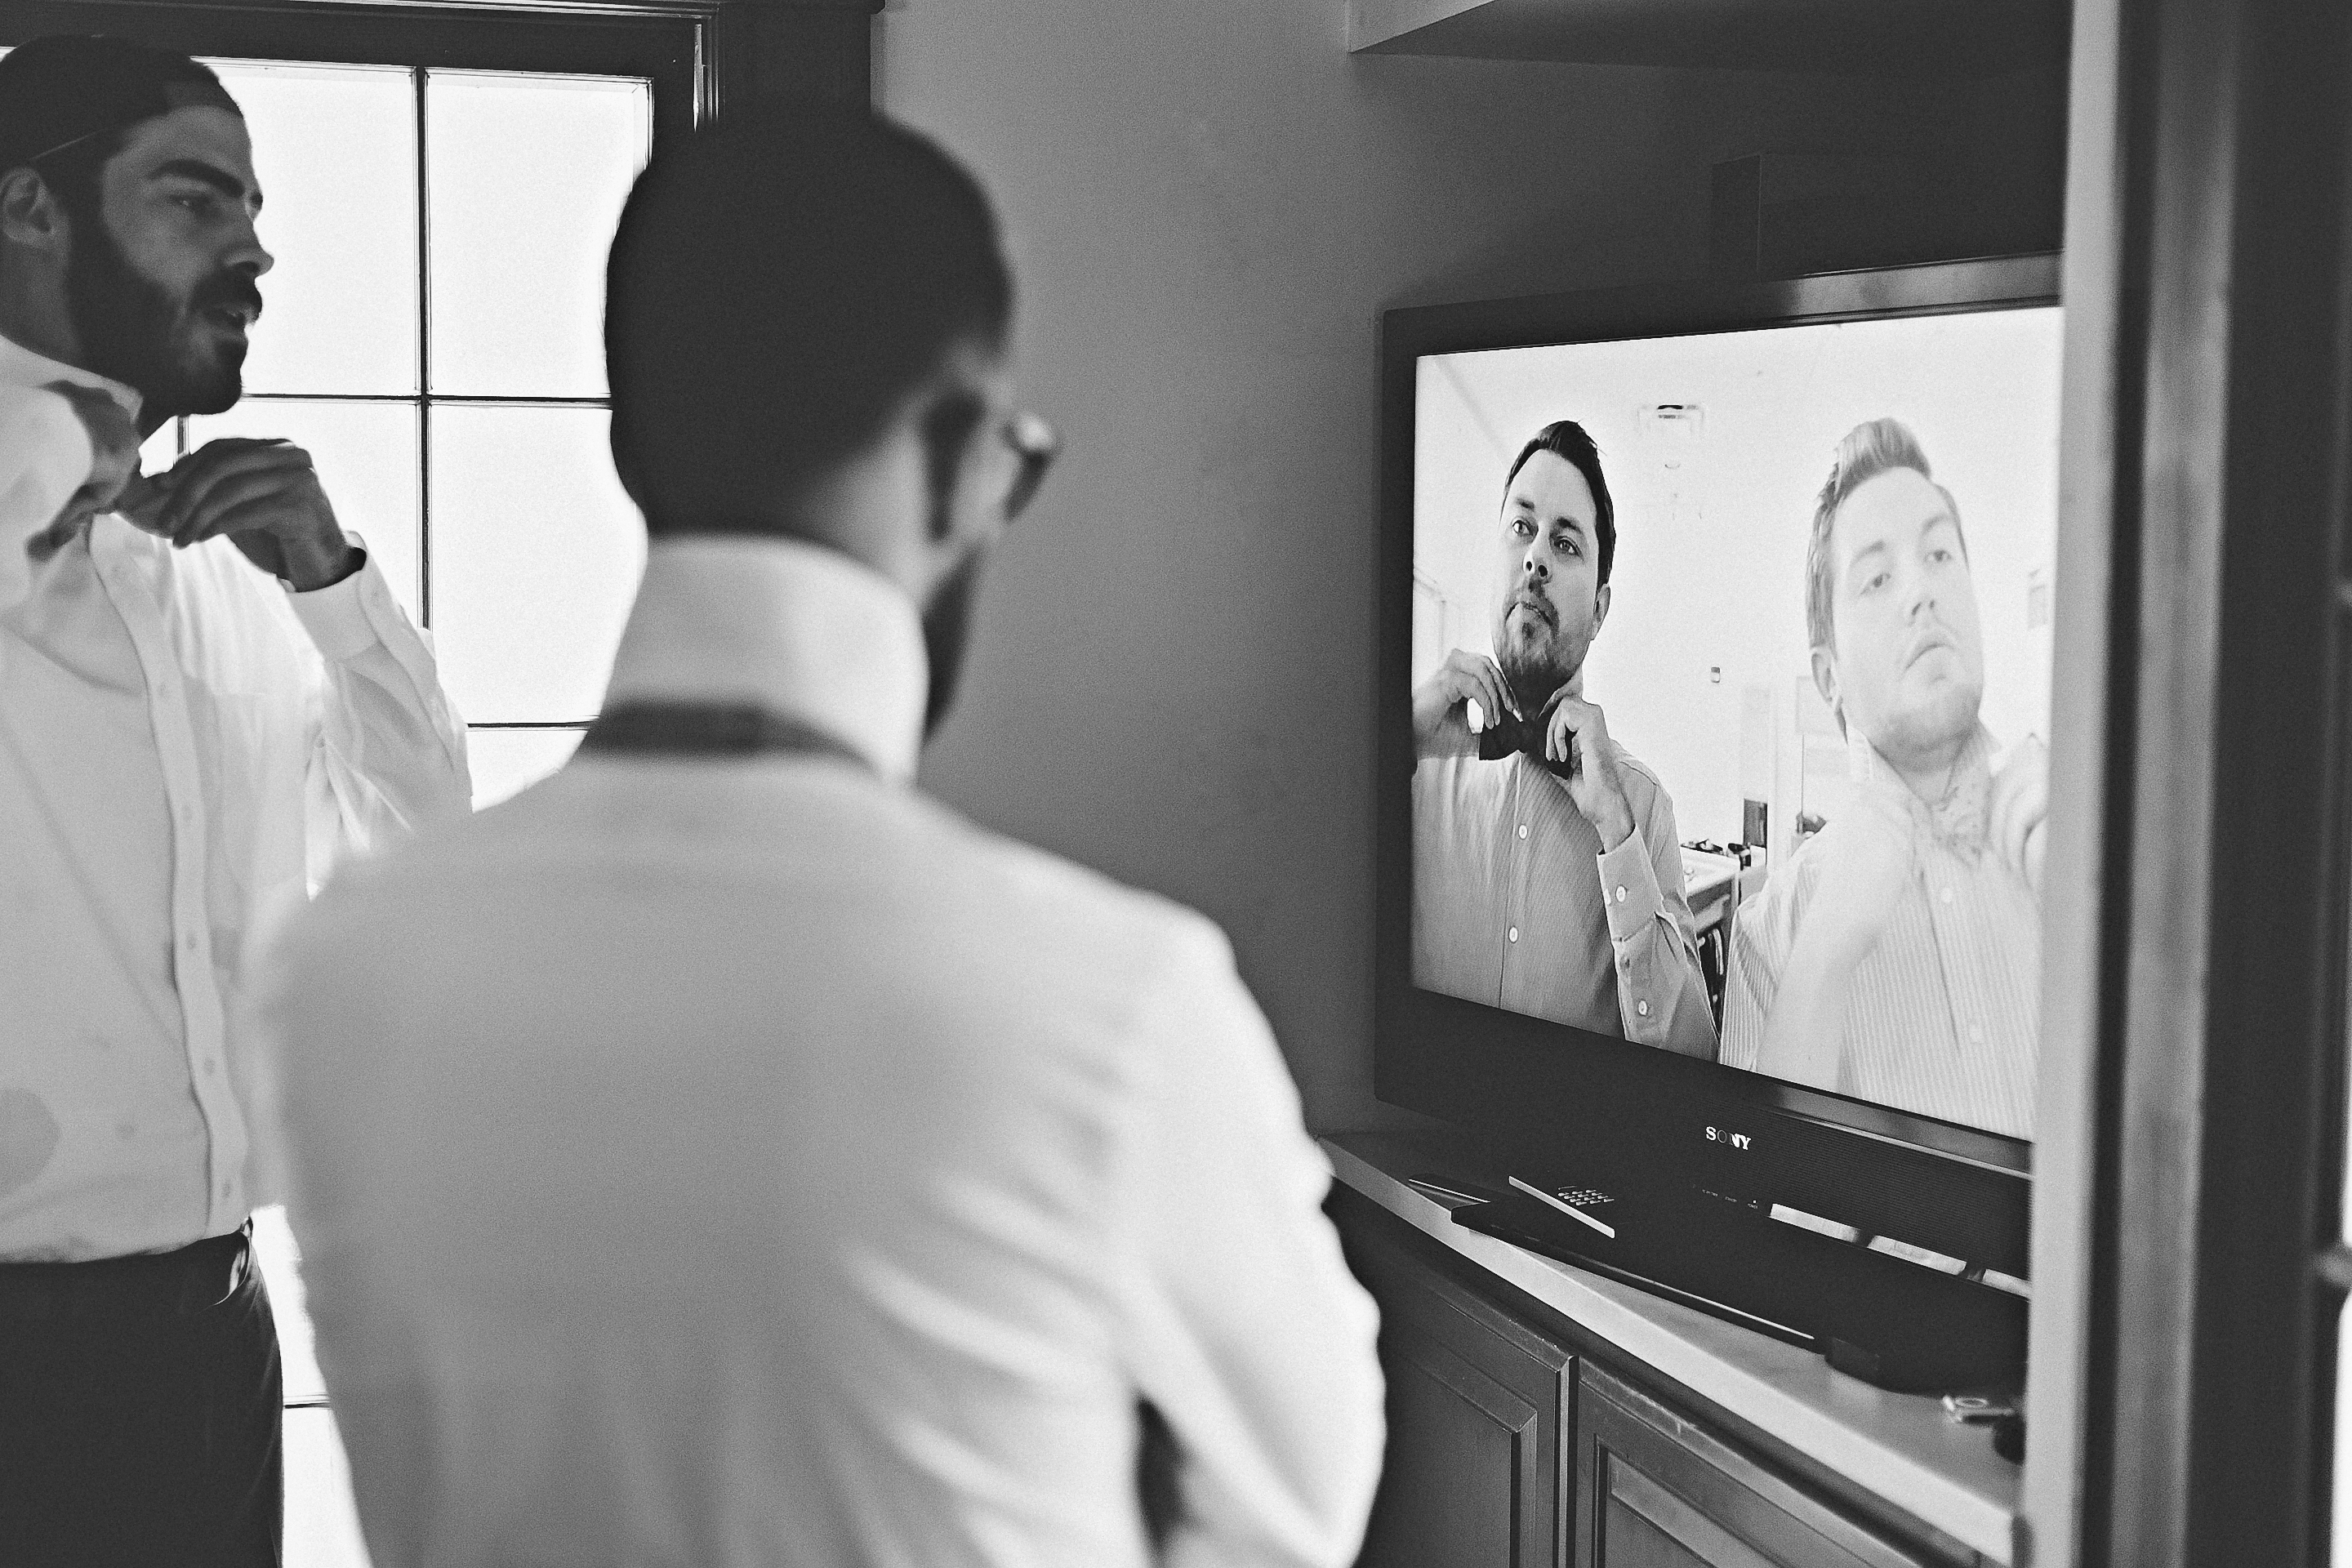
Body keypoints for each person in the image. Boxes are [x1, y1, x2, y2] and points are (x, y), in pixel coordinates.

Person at [256, 101, 1384, 1568]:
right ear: (969, 455)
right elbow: (1292, 1513)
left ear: (626, 445)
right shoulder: (1115, 1007)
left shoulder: (336, 974)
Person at [0, 34, 471, 1567]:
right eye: (197, 202)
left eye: (255, 211)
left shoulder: (227, 579)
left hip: (211, 1331)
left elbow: (420, 867)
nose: (255, 248)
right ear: (29, 208)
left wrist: (335, 589)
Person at [1721, 417, 2043, 1138]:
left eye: (1939, 554)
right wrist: (1823, 959)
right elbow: (1743, 1212)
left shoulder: (2087, 845)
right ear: (1829, 676)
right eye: (1877, 577)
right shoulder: (1772, 936)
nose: (1921, 594)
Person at [1410, 419, 1717, 1056]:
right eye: (1522, 528)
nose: (1535, 556)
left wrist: (1617, 835)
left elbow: (1694, 1064)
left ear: (1601, 609)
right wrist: (1396, 736)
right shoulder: (1413, 764)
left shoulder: (1644, 808)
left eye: (1566, 543)